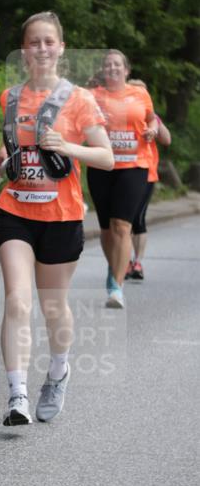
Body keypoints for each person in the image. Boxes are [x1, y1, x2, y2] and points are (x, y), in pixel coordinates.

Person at [0, 12, 113, 427]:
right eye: (33, 43)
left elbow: (107, 158)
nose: (41, 49)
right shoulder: (11, 97)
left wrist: (70, 147)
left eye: (48, 42)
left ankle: (58, 371)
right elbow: (15, 151)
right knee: (18, 300)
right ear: (24, 51)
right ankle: (16, 396)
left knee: (53, 306)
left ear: (60, 48)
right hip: (16, 210)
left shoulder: (79, 100)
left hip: (61, 216)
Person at [87, 52, 158, 307]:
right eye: (108, 64)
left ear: (126, 70)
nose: (112, 67)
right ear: (103, 71)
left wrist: (153, 130)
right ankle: (114, 266)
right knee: (106, 229)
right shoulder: (93, 95)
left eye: (117, 64)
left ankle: (116, 287)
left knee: (122, 225)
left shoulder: (140, 94)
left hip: (134, 166)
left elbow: (151, 118)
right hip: (102, 166)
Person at [123, 80, 172, 281]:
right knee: (121, 220)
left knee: (137, 219)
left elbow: (167, 140)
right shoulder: (122, 115)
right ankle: (123, 263)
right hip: (119, 173)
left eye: (141, 91)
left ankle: (137, 262)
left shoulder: (151, 118)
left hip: (145, 173)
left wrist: (156, 124)